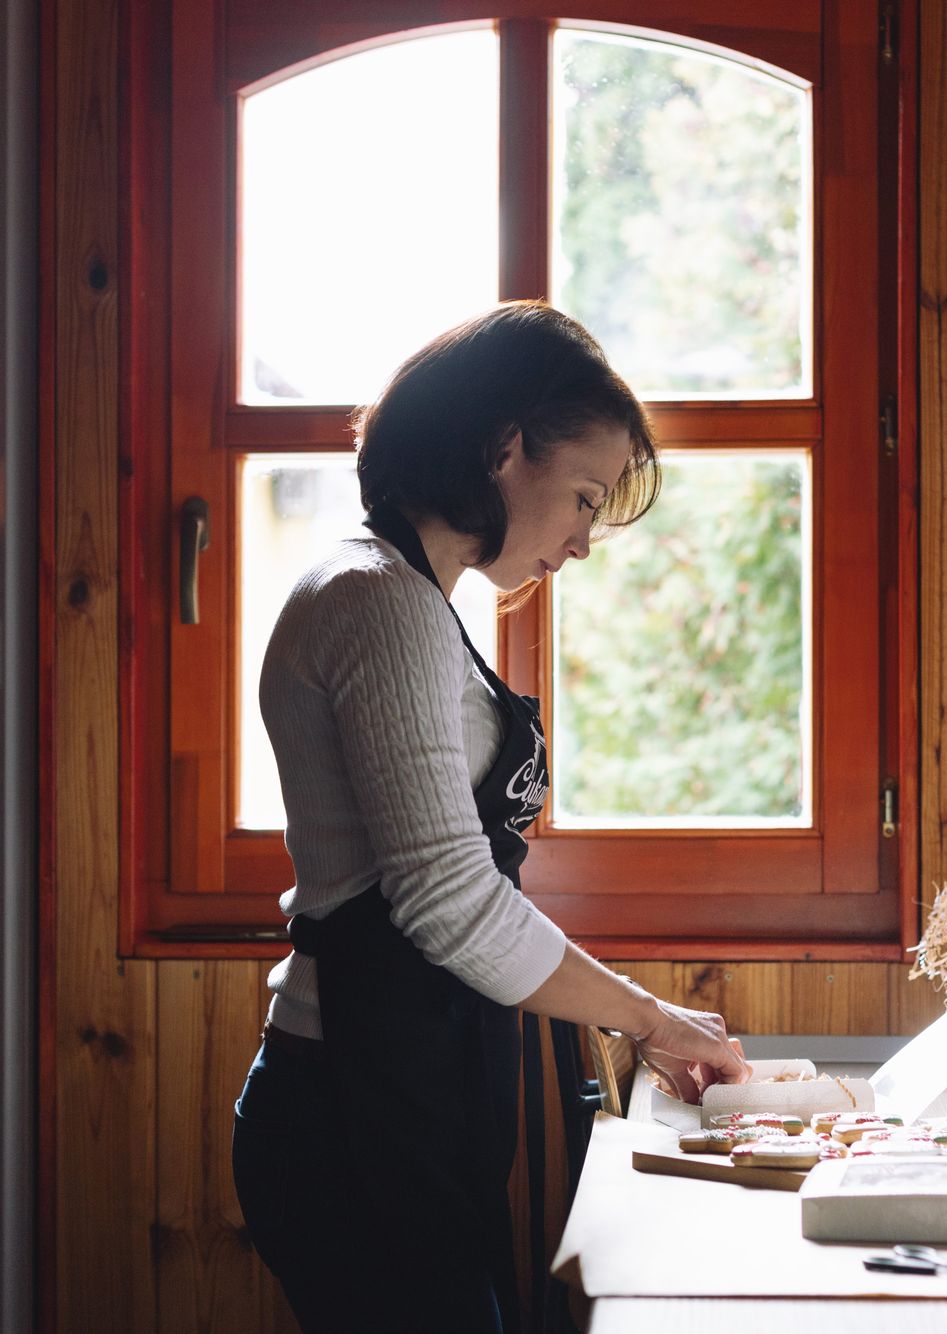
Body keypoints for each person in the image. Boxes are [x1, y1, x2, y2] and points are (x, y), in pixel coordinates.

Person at [230, 301, 751, 1333]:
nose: (584, 542)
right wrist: (649, 1016)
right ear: (504, 448)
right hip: (353, 1113)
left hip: (403, 1092)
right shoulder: (378, 601)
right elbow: (450, 901)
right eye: (582, 498)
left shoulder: (416, 602)